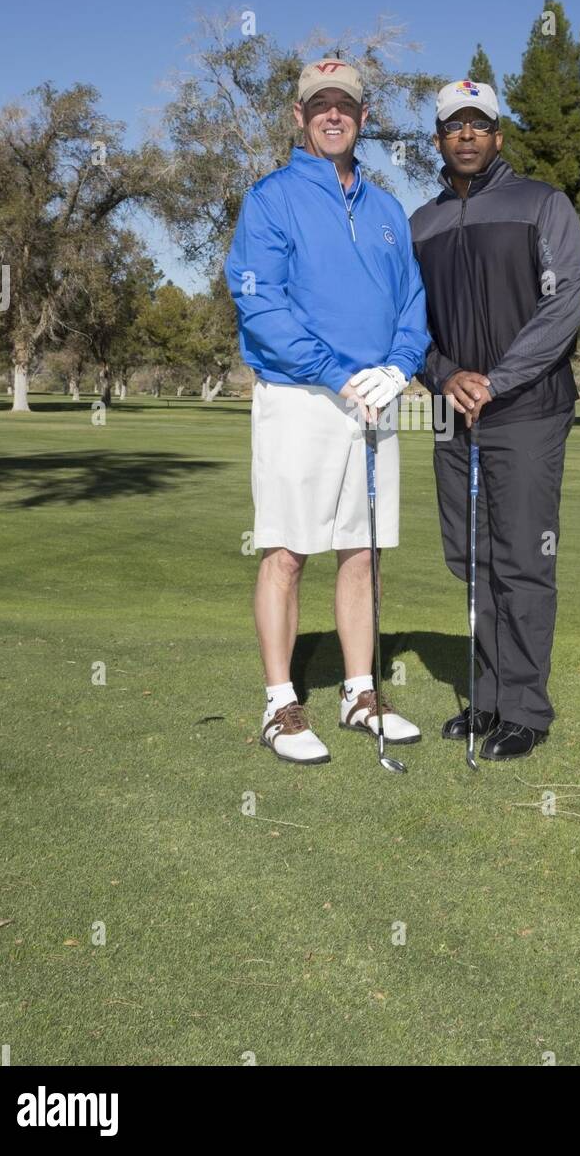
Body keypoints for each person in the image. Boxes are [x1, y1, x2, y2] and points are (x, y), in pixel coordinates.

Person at [224, 59, 429, 765]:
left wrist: (399, 368)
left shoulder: (385, 210)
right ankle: (281, 703)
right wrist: (341, 374)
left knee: (362, 550)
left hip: (372, 396)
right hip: (300, 397)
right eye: (320, 106)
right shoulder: (271, 198)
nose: (332, 115)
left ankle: (359, 691)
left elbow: (412, 304)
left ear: (364, 118)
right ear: (299, 117)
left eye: (345, 105)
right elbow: (260, 305)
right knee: (286, 549)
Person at [410, 79, 580, 761]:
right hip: (450, 413)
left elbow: (567, 301)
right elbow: (405, 322)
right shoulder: (420, 223)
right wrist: (444, 374)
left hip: (527, 410)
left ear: (497, 136)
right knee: (473, 557)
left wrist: (499, 379)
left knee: (521, 558)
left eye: (477, 124)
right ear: (437, 139)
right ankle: (486, 699)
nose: (465, 135)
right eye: (453, 125)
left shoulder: (542, 204)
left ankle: (525, 708)